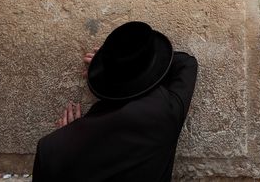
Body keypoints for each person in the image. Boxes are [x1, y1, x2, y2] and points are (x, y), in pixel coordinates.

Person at [33, 21, 198, 181]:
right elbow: (186, 64)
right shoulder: (164, 113)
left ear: (104, 78)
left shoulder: (50, 150)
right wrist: (135, 60)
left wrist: (67, 139)